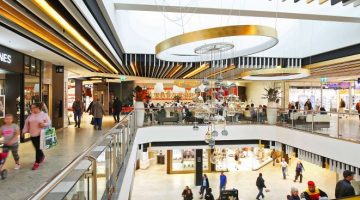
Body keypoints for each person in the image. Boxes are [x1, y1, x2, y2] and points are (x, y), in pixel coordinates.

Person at [23, 102, 51, 170]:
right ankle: (42, 156)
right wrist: (24, 131)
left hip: (40, 134)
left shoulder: (44, 115)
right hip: (32, 134)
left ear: (38, 108)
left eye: (33, 108)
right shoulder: (31, 115)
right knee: (37, 148)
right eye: (31, 108)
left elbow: (49, 122)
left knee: (38, 149)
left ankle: (37, 163)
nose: (32, 109)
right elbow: (27, 123)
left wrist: (43, 124)